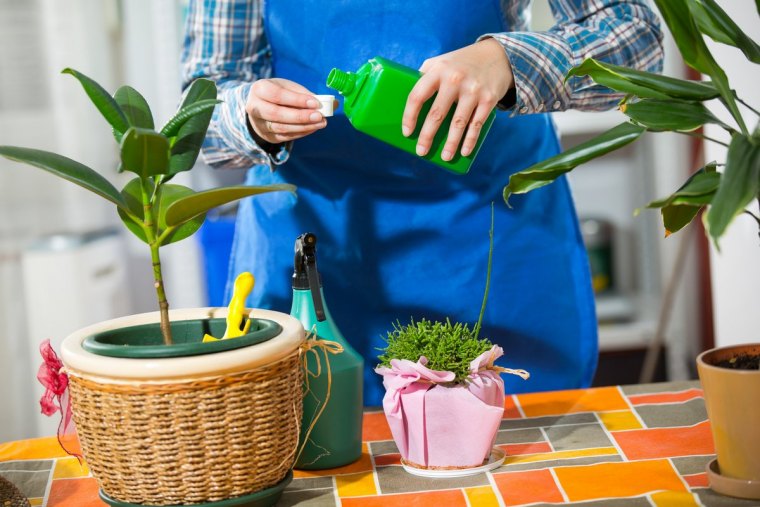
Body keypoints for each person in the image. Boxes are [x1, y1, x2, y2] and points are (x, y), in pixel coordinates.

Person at [181, 0, 663, 406]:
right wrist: (249, 113)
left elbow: (637, 46)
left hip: (490, 227)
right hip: (319, 243)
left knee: (517, 459)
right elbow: (201, 112)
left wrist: (505, 61)